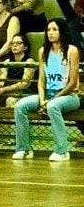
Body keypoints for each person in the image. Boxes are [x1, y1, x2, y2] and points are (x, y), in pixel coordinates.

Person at [12, 19, 79, 162]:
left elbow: (73, 83)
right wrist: (42, 100)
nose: (51, 33)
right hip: (47, 95)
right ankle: (23, 148)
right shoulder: (43, 51)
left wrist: (51, 100)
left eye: (54, 29)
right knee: (19, 106)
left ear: (62, 31)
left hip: (69, 96)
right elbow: (41, 80)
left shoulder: (72, 50)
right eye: (48, 30)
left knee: (52, 106)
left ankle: (62, 151)